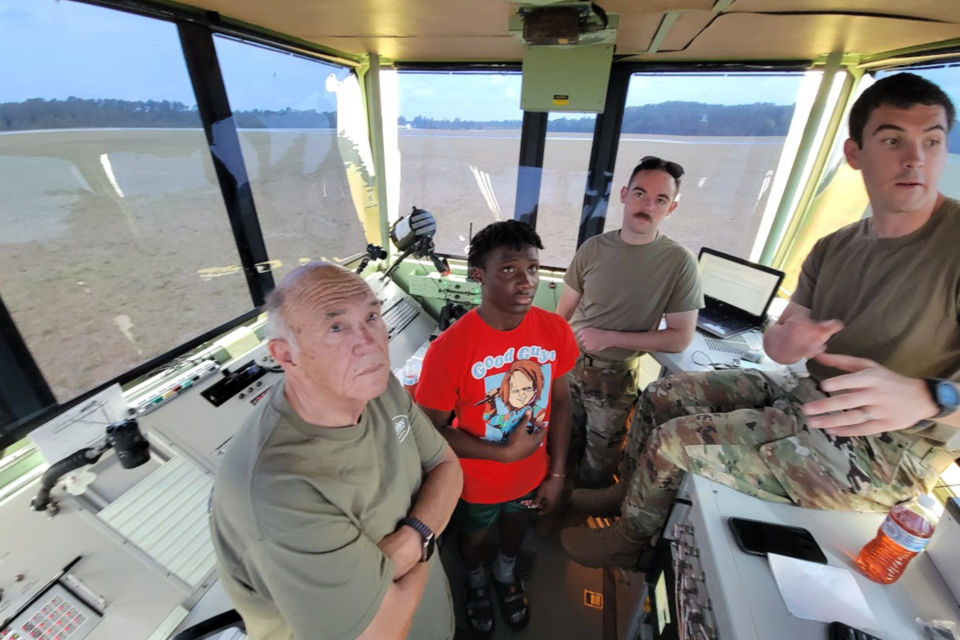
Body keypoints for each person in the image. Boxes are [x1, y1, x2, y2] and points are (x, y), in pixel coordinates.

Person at [561, 72, 960, 569]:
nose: (915, 158)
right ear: (856, 154)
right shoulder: (835, 247)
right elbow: (778, 343)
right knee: (661, 395)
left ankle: (629, 542)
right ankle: (627, 495)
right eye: (893, 139)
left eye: (933, 141)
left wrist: (932, 395)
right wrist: (790, 341)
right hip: (806, 395)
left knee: (674, 441)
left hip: (888, 451)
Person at [209, 263, 463, 640]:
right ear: (287, 355)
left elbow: (447, 466)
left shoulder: (378, 389)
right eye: (336, 327)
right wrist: (429, 529)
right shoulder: (277, 486)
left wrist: (414, 539)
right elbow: (385, 630)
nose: (370, 342)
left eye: (372, 316)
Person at [416, 220, 578, 635]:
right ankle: (474, 581)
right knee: (472, 538)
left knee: (516, 526)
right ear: (478, 275)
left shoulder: (555, 329)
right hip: (476, 483)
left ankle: (505, 575)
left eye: (533, 269)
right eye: (508, 269)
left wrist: (556, 473)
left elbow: (561, 401)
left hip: (531, 477)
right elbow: (429, 430)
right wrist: (504, 453)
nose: (526, 282)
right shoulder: (448, 350)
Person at [555, 156, 703, 488]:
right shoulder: (592, 249)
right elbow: (562, 315)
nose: (647, 205)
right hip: (569, 365)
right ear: (623, 194)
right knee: (559, 444)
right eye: (640, 193)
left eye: (660, 199)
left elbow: (680, 338)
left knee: (599, 462)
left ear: (671, 208)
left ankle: (580, 520)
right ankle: (552, 510)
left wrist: (609, 336)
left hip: (615, 377)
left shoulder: (679, 262)